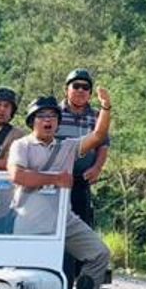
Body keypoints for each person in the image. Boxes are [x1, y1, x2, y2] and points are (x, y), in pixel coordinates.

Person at [6, 93, 114, 289]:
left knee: (100, 254)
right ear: (31, 121)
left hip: (64, 221)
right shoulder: (22, 145)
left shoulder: (68, 147)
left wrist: (106, 108)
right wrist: (56, 179)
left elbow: (99, 135)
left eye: (53, 116)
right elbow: (18, 176)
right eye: (42, 116)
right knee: (29, 278)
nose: (48, 120)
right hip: (30, 222)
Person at [56, 68, 111, 227]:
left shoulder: (97, 116)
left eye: (85, 87)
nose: (80, 90)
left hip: (82, 180)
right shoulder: (53, 113)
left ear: (90, 93)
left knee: (81, 224)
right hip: (55, 178)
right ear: (66, 89)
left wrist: (97, 167)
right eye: (76, 86)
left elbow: (103, 144)